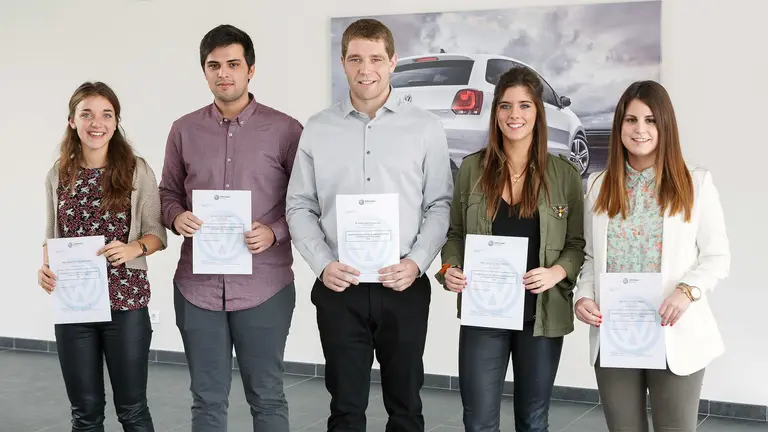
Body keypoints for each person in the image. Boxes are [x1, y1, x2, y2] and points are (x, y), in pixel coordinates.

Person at [285, 18, 453, 432]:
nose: (366, 69)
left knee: (406, 407)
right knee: (345, 408)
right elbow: (299, 205)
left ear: (393, 61)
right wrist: (322, 264)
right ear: (343, 62)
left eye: (376, 59)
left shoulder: (425, 127)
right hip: (341, 287)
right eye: (356, 59)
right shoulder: (318, 129)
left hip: (404, 285)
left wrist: (416, 263)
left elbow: (440, 204)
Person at [158, 24, 303, 431]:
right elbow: (167, 192)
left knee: (267, 396)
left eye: (233, 64)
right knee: (206, 400)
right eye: (214, 65)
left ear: (250, 70)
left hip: (264, 286)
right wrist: (176, 216)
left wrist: (274, 231)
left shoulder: (286, 130)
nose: (223, 73)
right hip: (197, 287)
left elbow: (305, 202)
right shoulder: (183, 129)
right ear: (204, 71)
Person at [435, 66, 586, 432]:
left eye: (524, 105)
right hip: (484, 313)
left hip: (541, 316)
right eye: (505, 106)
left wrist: (556, 272)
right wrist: (449, 270)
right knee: (478, 421)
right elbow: (455, 234)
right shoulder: (472, 169)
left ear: (538, 112)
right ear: (496, 112)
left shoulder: (564, 175)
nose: (514, 115)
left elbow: (576, 245)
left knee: (533, 422)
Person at [574, 80, 730, 432]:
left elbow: (717, 257)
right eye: (631, 120)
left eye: (650, 120)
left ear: (665, 125)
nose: (639, 129)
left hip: (674, 332)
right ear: (620, 126)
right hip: (616, 332)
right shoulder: (598, 185)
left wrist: (687, 291)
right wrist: (583, 296)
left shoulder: (695, 183)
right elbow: (591, 257)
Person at [37, 81, 167, 431]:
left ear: (116, 121)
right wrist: (45, 269)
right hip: (74, 307)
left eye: (106, 114)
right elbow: (52, 236)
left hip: (126, 304)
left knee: (132, 410)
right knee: (85, 413)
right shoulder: (58, 174)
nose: (97, 123)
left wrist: (133, 248)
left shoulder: (137, 170)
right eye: (87, 114)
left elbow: (157, 233)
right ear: (72, 121)